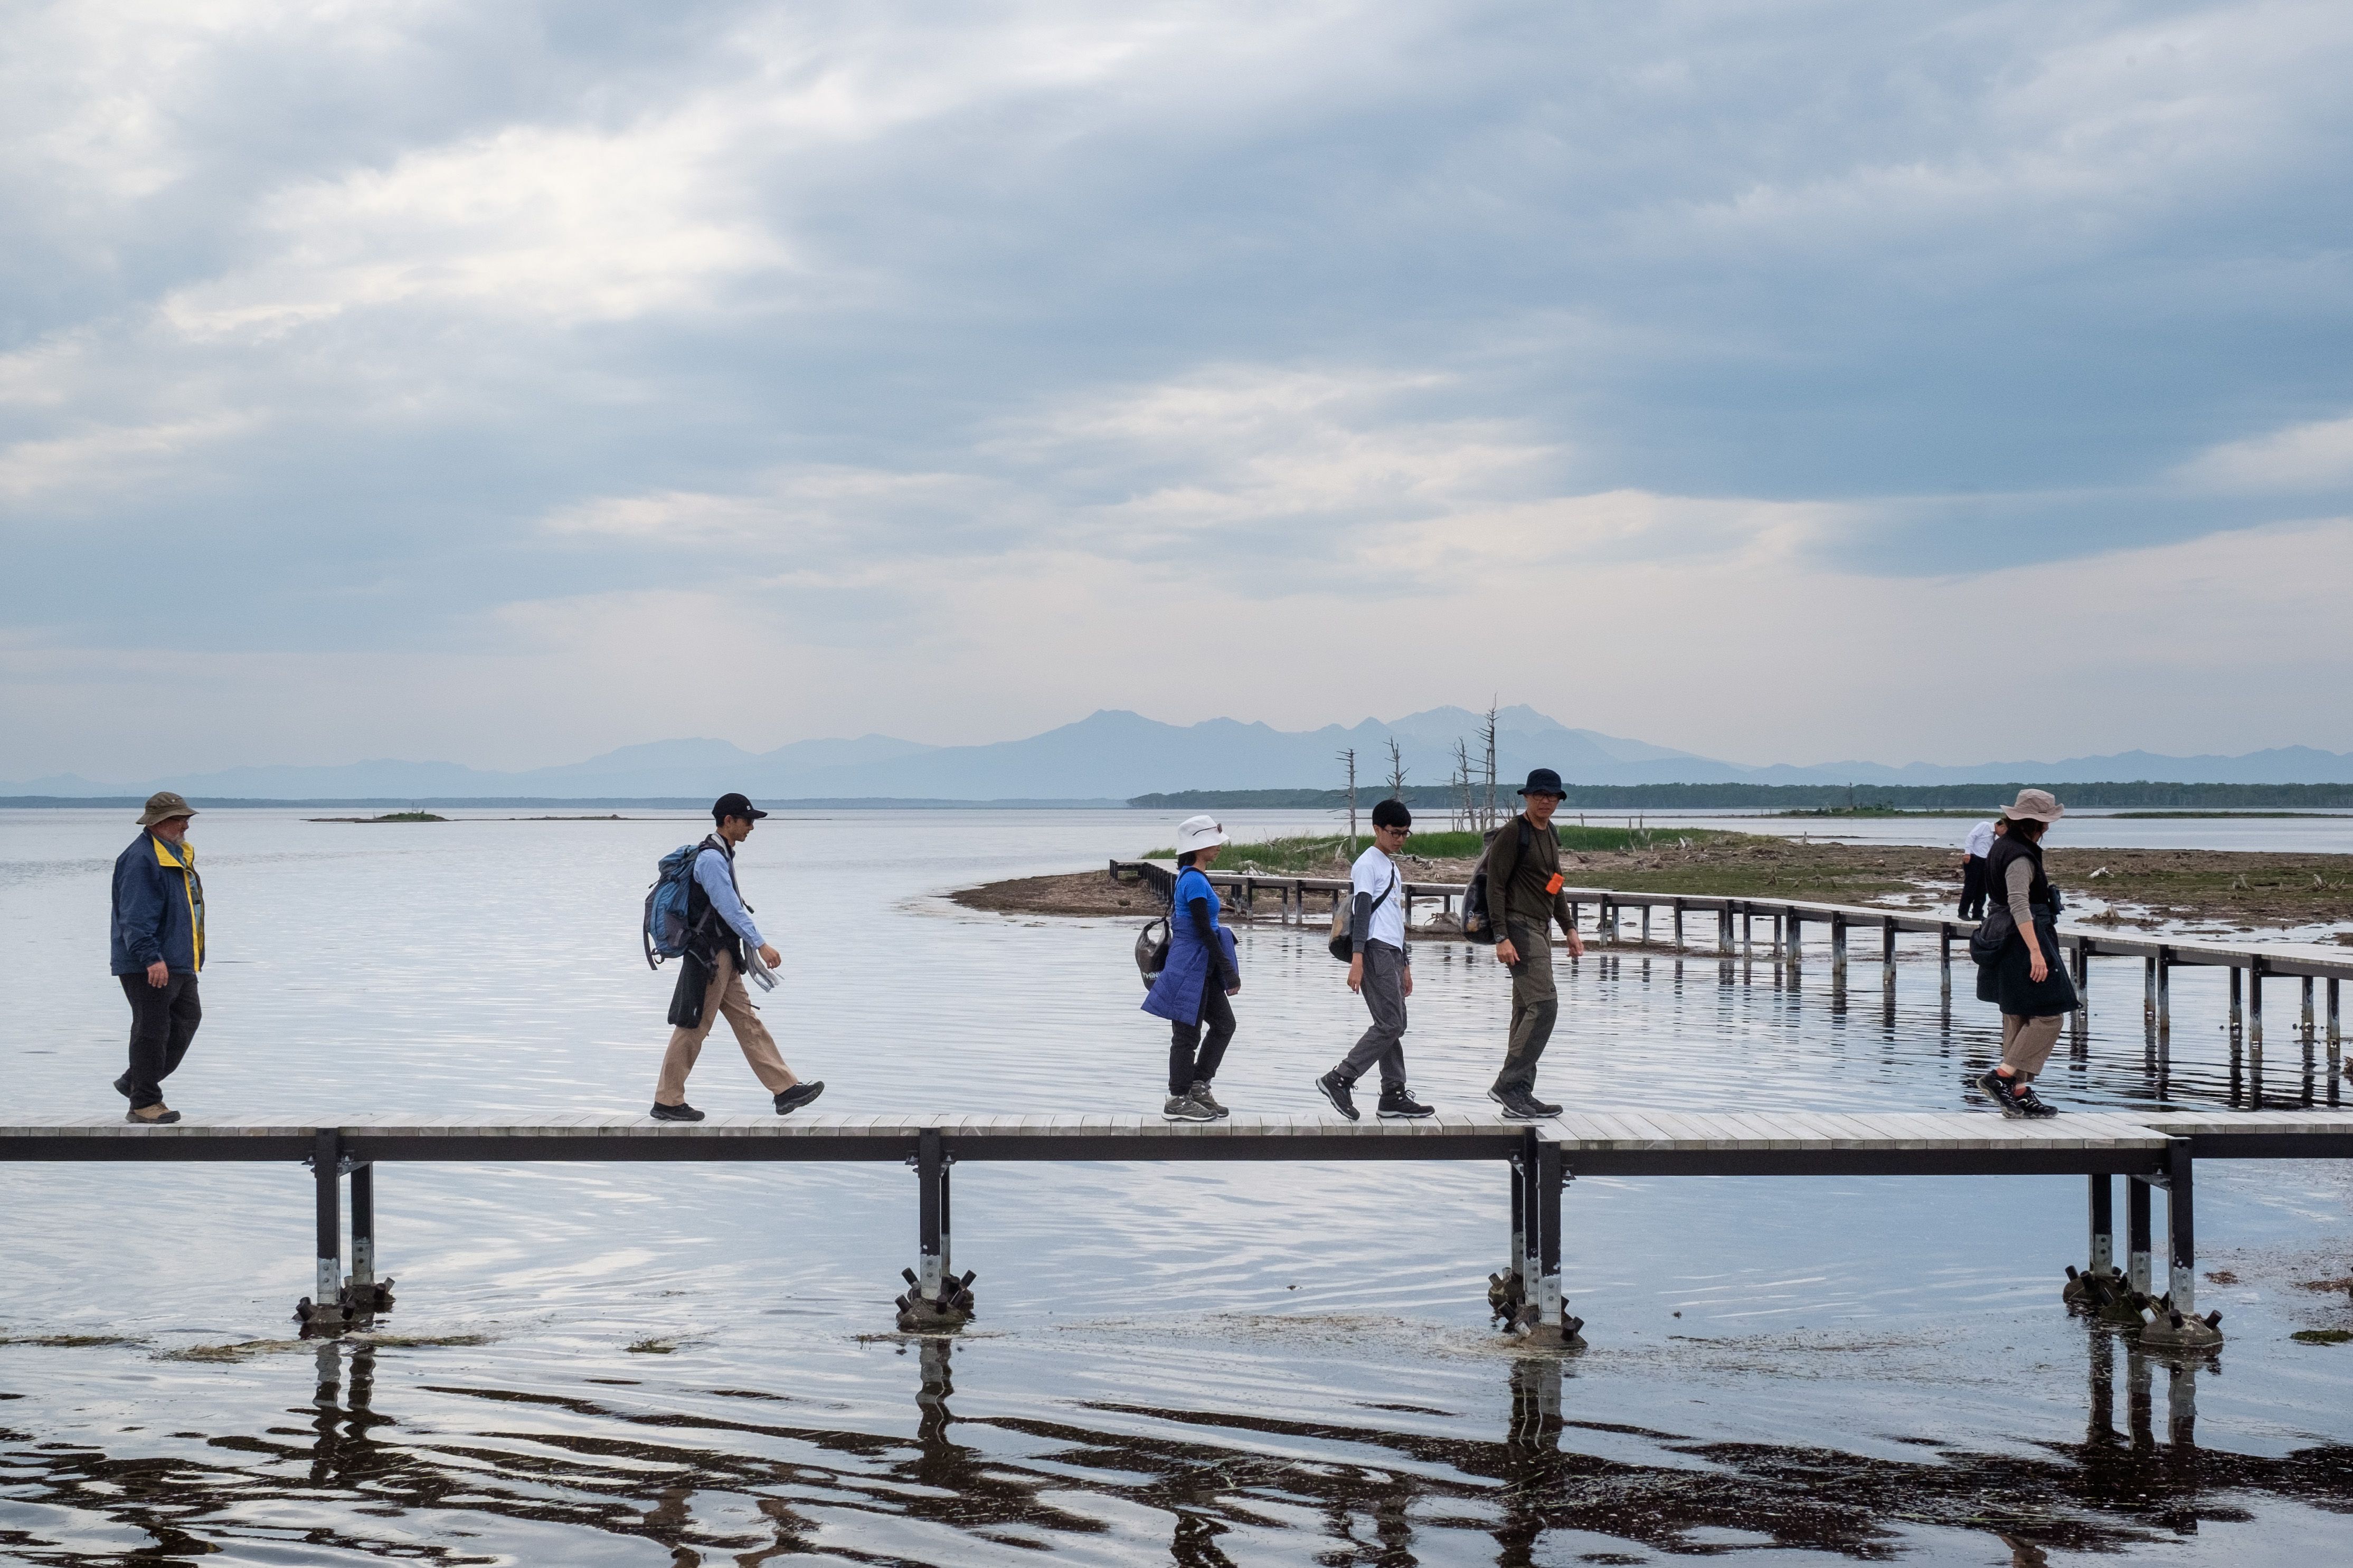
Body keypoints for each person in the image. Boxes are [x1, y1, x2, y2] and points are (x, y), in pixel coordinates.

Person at [651, 793, 824, 1122]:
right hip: (709, 957)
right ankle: (667, 1101)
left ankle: (785, 1090)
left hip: (722, 956)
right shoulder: (711, 860)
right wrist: (761, 944)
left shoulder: (721, 854)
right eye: (748, 821)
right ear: (728, 821)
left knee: (747, 1021)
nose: (752, 827)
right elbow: (730, 909)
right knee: (693, 1026)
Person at [1315, 799, 1433, 1119]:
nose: (1400, 839)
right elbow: (1362, 911)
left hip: (1392, 952)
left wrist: (1406, 965)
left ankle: (1392, 1096)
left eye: (1406, 834)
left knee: (1396, 1025)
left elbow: (1395, 917)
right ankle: (1340, 1078)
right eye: (1395, 833)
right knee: (1390, 1023)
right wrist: (1358, 959)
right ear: (1377, 829)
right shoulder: (1366, 864)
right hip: (1374, 950)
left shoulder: (1392, 866)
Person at [1485, 769, 1587, 1119]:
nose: (1545, 800)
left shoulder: (1550, 833)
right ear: (1526, 797)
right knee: (1544, 1006)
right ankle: (1507, 1085)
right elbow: (1494, 886)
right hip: (1518, 928)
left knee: (1524, 1011)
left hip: (1541, 928)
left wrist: (1569, 928)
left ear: (1558, 800)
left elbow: (1554, 882)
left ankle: (1520, 1095)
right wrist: (1501, 936)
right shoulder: (1514, 832)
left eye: (1552, 796)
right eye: (1539, 794)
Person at [1974, 789, 2076, 1118]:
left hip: (2004, 934)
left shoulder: (2001, 846)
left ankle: (2018, 1092)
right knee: (2050, 1015)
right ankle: (2000, 1077)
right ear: (2040, 825)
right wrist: (2036, 952)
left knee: (2018, 1014)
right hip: (2022, 939)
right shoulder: (2019, 856)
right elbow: (2019, 904)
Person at [110, 791, 206, 1125]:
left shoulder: (174, 854)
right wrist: (151, 958)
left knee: (186, 1021)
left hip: (178, 960)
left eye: (187, 819)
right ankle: (144, 1103)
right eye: (181, 819)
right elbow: (135, 917)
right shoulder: (141, 859)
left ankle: (135, 1082)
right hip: (149, 963)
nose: (186, 826)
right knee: (152, 1030)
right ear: (159, 823)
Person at [1141, 815, 1240, 1122]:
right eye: (1213, 842)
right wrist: (1230, 971)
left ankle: (1198, 1085)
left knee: (1224, 1025)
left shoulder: (1193, 876)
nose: (1218, 847)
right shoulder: (1194, 879)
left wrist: (1215, 907)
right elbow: (1203, 931)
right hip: (1190, 966)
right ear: (1199, 846)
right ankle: (1177, 1099)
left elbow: (1200, 916)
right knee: (1186, 1034)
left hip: (1201, 967)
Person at [1957, 818, 1999, 920]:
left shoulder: (1995, 836)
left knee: (1983, 889)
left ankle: (1978, 913)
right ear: (2001, 826)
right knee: (1970, 887)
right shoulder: (1984, 826)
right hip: (1974, 858)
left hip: (1985, 861)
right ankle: (1963, 912)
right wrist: (1967, 853)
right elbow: (1971, 837)